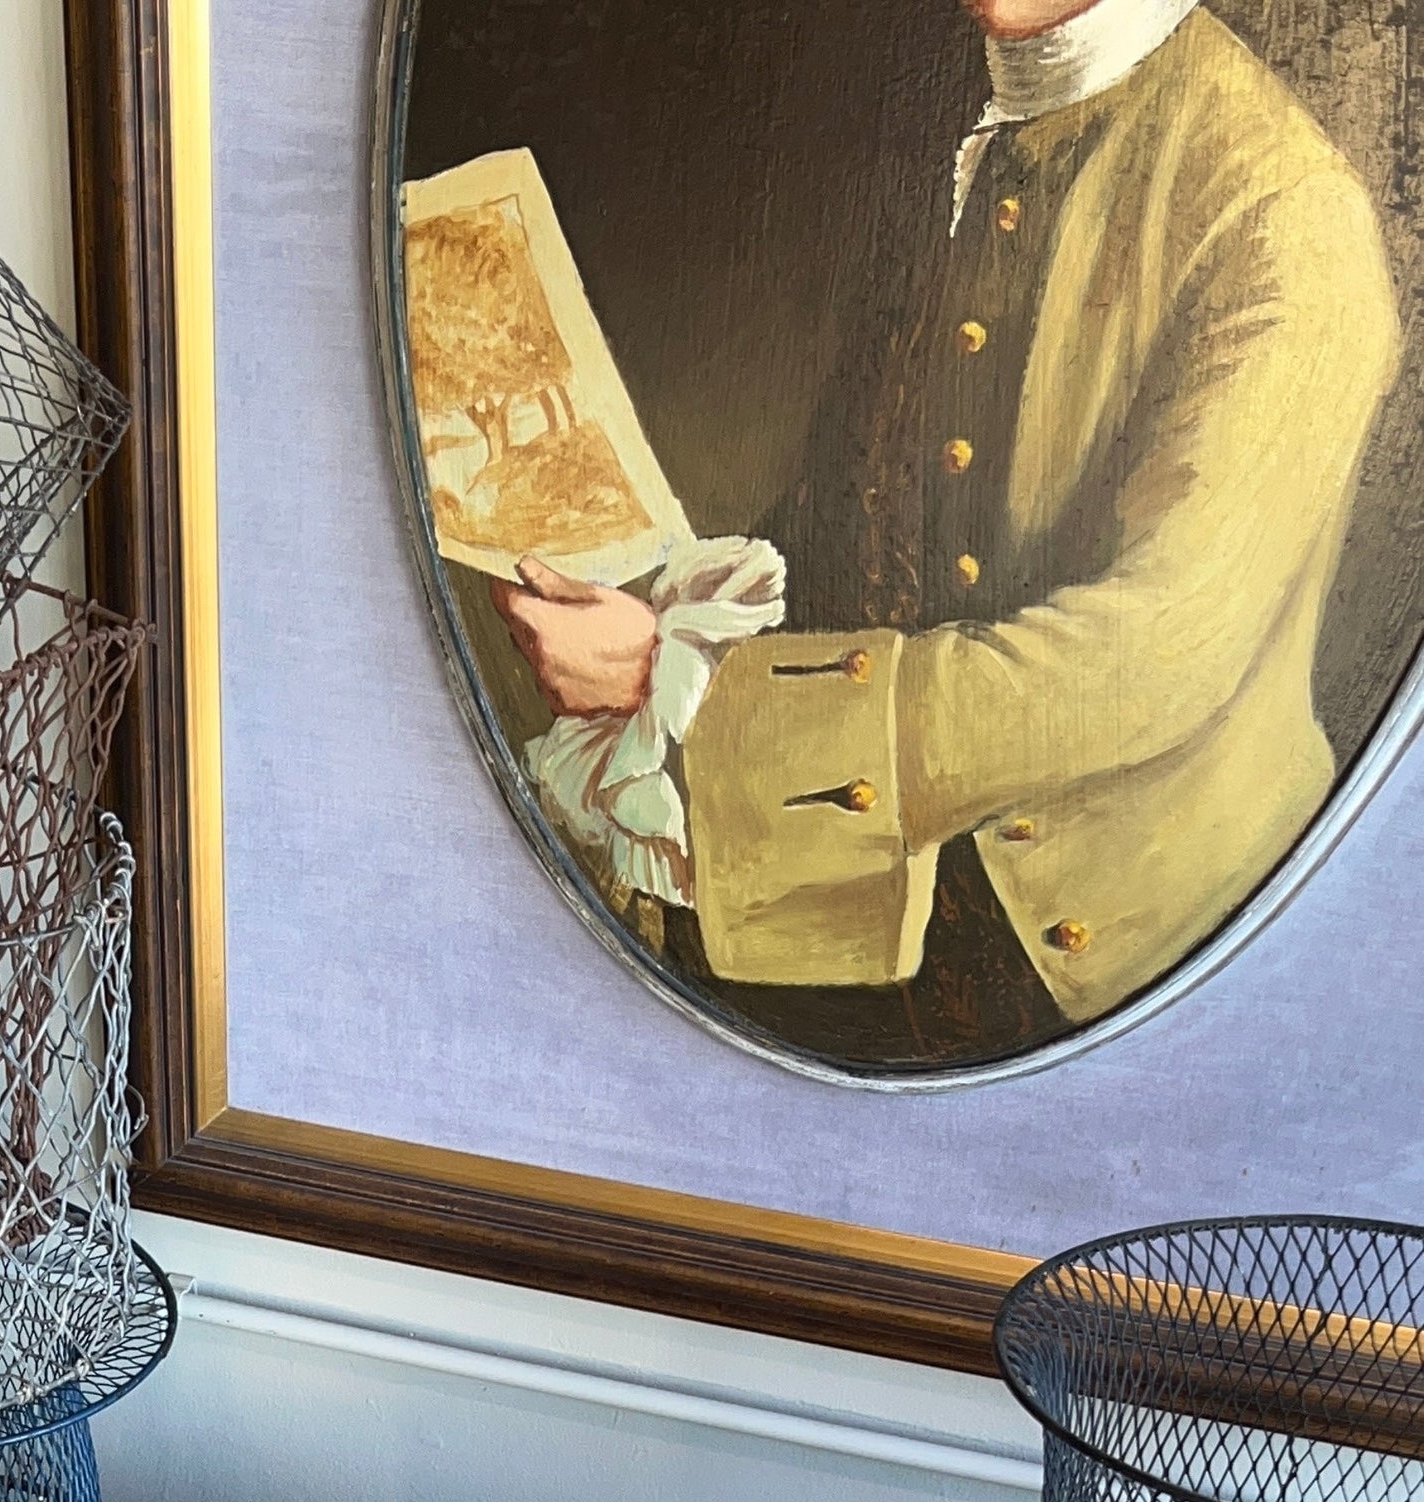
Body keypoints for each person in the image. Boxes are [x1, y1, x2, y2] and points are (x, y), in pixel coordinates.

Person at [493, 0, 1400, 1068]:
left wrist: (682, 689)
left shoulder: (1284, 212)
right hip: (856, 888)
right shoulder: (969, 124)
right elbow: (855, 519)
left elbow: (1150, 658)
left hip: (1108, 961)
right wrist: (663, 618)